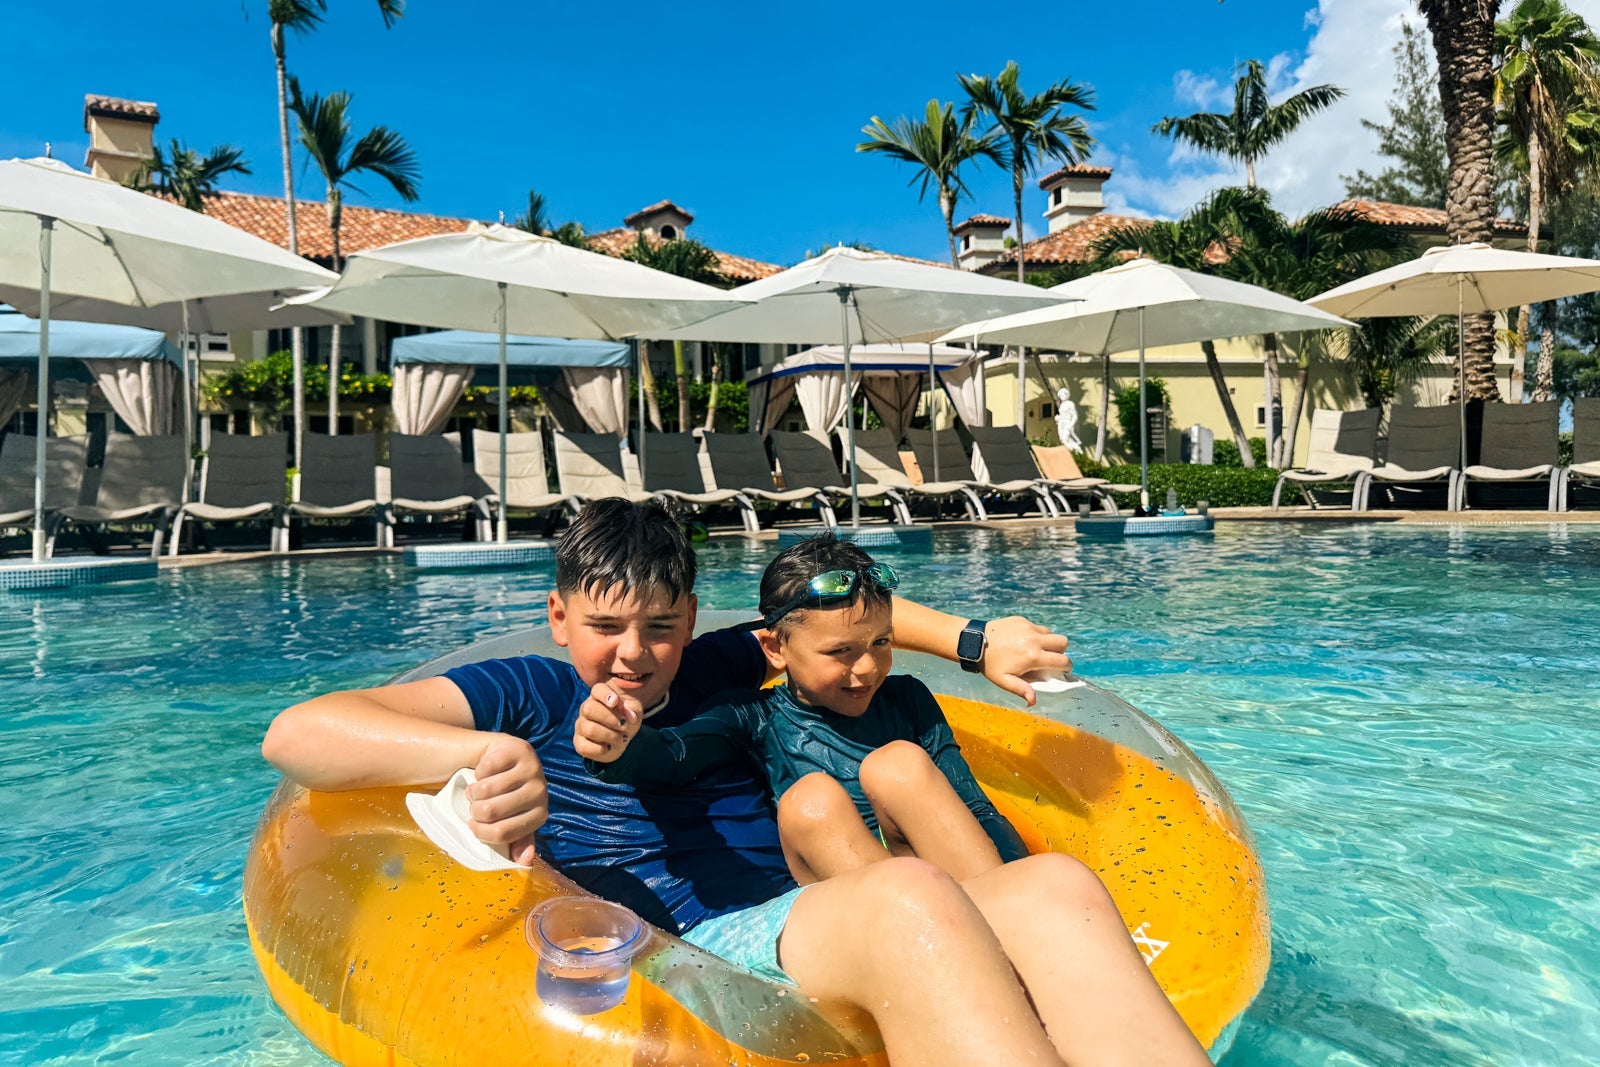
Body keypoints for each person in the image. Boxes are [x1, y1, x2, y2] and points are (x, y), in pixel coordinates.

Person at [262, 499, 1209, 1066]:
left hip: (802, 913)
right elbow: (297, 732)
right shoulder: (529, 692)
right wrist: (469, 757)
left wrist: (972, 638)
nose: (634, 657)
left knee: (1052, 884)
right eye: (606, 626)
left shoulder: (717, 665)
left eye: (662, 626)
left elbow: (833, 613)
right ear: (557, 615)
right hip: (700, 957)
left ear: (688, 617)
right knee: (910, 897)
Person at [578, 533, 1027, 887]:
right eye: (840, 651)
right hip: (861, 897)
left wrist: (1017, 875)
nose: (868, 666)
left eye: (881, 642)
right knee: (814, 801)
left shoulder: (908, 700)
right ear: (775, 648)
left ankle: (1007, 917)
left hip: (959, 885)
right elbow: (671, 757)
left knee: (903, 765)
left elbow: (977, 810)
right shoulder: (753, 717)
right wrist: (618, 742)